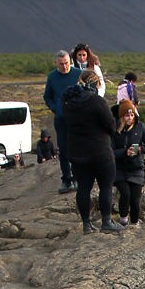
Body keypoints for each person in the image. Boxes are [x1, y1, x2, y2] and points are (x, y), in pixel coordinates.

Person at [62, 69, 119, 234]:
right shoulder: (96, 101)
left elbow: (65, 122)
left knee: (83, 188)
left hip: (77, 152)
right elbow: (110, 125)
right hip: (100, 151)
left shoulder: (68, 102)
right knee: (106, 187)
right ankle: (106, 222)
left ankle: (86, 224)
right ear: (96, 83)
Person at [43, 49, 80, 191]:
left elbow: (86, 92)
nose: (64, 67)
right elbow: (47, 97)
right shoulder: (52, 77)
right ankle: (66, 179)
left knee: (76, 148)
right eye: (61, 64)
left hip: (76, 118)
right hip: (61, 119)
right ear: (56, 63)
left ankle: (77, 177)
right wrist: (55, 108)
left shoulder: (77, 74)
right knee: (63, 150)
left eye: (66, 63)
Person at [112, 100, 145, 227]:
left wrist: (142, 149)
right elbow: (109, 151)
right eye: (126, 115)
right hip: (119, 169)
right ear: (121, 116)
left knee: (135, 199)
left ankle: (134, 223)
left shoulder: (140, 127)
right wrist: (125, 152)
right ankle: (123, 219)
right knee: (125, 193)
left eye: (131, 115)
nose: (129, 118)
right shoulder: (114, 130)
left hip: (136, 168)